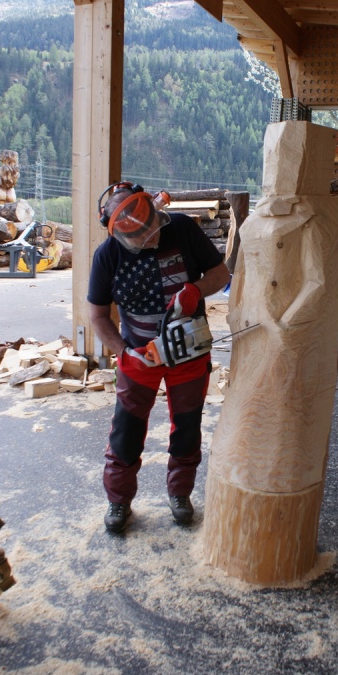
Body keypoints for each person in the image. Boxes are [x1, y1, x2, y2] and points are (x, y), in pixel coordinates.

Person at [87, 182, 230, 533]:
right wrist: (123, 352)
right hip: (138, 355)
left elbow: (221, 274)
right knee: (126, 430)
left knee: (187, 427)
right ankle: (119, 500)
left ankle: (180, 493)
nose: (150, 239)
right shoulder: (107, 256)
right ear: (118, 232)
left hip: (189, 351)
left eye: (152, 230)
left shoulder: (181, 228)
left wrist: (195, 289)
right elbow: (98, 316)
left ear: (155, 211)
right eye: (139, 237)